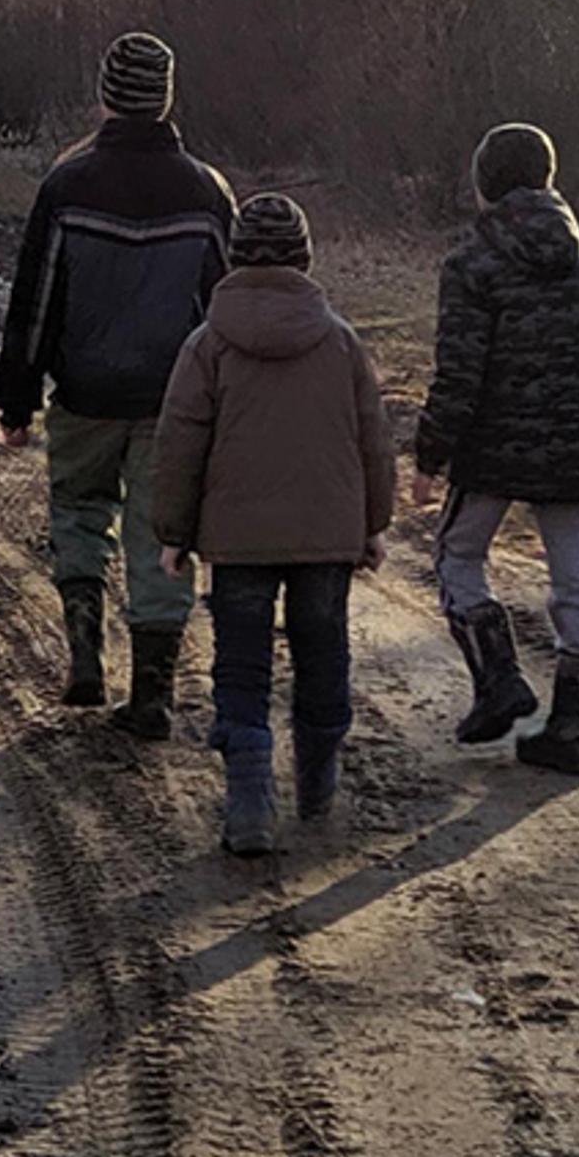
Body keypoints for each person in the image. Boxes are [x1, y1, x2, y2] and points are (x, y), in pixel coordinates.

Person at [0, 30, 237, 736]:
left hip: (85, 395)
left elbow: (34, 303)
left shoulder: (66, 186)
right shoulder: (206, 190)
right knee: (161, 534)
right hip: (173, 402)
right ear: (166, 99)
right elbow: (228, 307)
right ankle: (154, 691)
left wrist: (16, 398)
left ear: (104, 97)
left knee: (78, 514)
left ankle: (84, 652)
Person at [150, 193, 396, 856]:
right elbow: (373, 438)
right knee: (323, 653)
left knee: (241, 668)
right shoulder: (341, 342)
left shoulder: (207, 345)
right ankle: (317, 783)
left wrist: (172, 531)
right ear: (306, 258)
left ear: (233, 257)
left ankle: (250, 804)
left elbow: (179, 443)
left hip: (238, 543)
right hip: (325, 539)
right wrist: (375, 522)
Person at [411, 121, 579, 777]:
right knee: (577, 583)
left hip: (494, 448)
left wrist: (430, 455)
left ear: (484, 184)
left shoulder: (471, 261)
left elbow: (460, 371)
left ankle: (498, 679)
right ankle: (577, 728)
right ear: (548, 178)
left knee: (456, 556)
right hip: (576, 447)